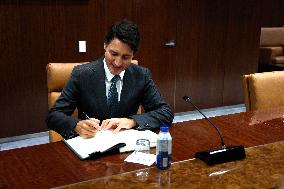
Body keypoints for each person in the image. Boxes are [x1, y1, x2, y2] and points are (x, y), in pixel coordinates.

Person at [46, 19, 173, 139]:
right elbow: (53, 116)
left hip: (126, 147)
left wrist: (132, 121)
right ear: (105, 46)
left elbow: (165, 113)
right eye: (114, 54)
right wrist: (76, 125)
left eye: (125, 57)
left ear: (133, 54)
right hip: (91, 145)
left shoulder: (141, 75)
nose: (118, 63)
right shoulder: (82, 74)